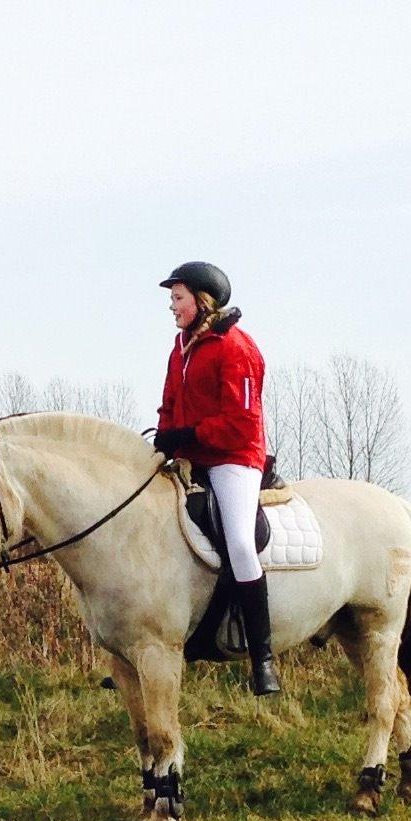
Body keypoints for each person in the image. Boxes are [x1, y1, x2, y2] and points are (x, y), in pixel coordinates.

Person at [153, 262, 281, 696]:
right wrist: (166, 436)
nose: (172, 307)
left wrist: (189, 435)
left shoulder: (236, 348)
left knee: (241, 545)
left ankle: (263, 660)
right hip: (191, 457)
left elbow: (240, 423)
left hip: (233, 458)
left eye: (178, 298)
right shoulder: (180, 347)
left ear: (202, 301)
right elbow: (169, 403)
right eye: (172, 299)